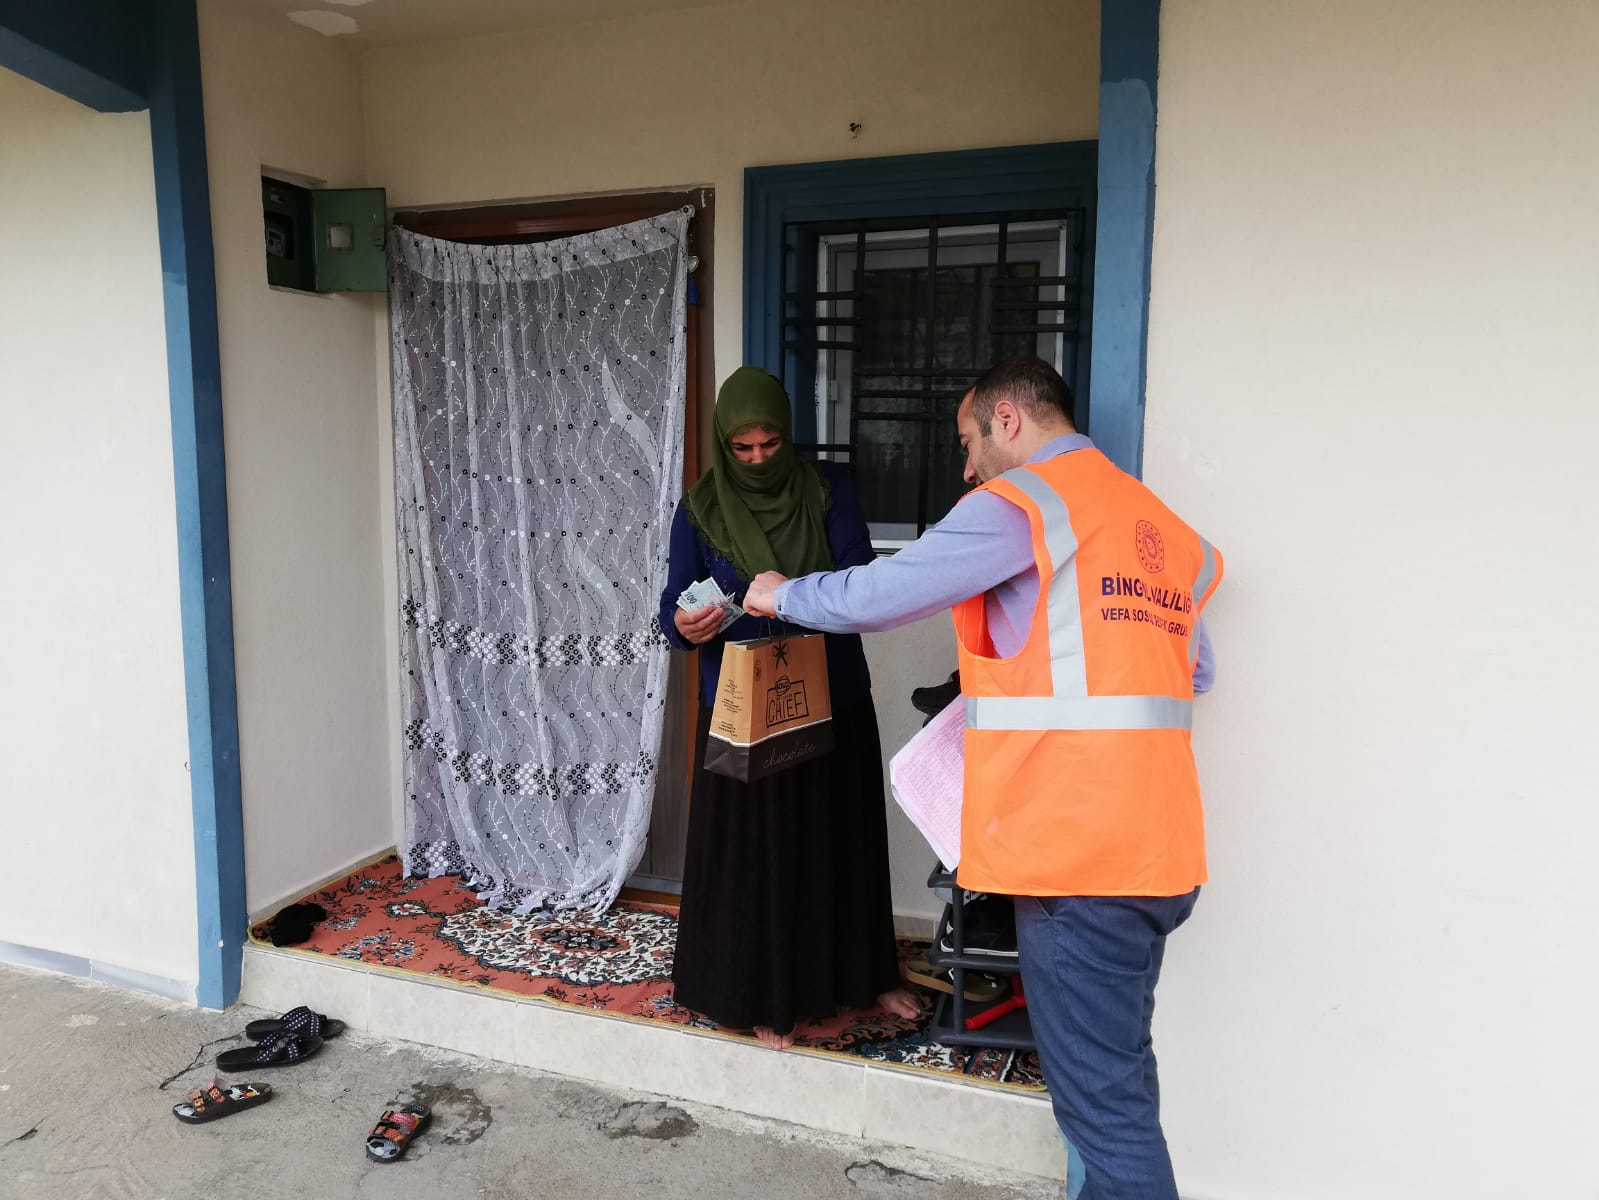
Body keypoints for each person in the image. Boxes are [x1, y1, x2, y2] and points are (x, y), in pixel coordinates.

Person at [744, 357, 1222, 1200]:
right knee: (1114, 1085)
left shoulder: (1025, 504)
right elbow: (1194, 671)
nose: (967, 468)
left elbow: (880, 594)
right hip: (1158, 849)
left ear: (1007, 419)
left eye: (967, 441)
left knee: (1106, 1116)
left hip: (1078, 860)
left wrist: (783, 595)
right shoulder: (1155, 524)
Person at [658, 366, 919, 1050]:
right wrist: (684, 626)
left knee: (843, 842)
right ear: (724, 444)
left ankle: (867, 976)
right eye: (741, 448)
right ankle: (762, 996)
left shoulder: (828, 490)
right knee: (757, 856)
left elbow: (860, 581)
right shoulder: (700, 508)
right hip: (742, 707)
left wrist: (789, 595)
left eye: (769, 445)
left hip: (830, 695)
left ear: (788, 436)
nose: (755, 460)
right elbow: (670, 610)